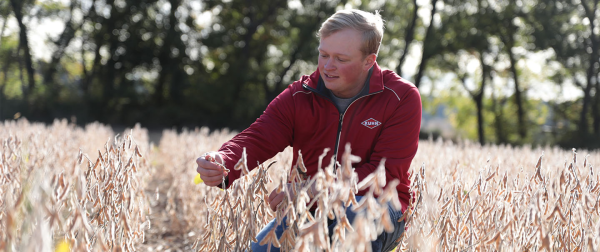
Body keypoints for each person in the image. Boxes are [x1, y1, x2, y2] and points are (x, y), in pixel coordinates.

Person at [196, 9, 421, 252]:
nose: (327, 66)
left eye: (340, 59)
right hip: (307, 209)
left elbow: (384, 174)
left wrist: (313, 188)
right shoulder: (299, 94)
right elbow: (260, 135)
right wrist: (224, 160)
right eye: (323, 54)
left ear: (369, 60)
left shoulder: (401, 97)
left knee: (354, 214)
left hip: (377, 209)